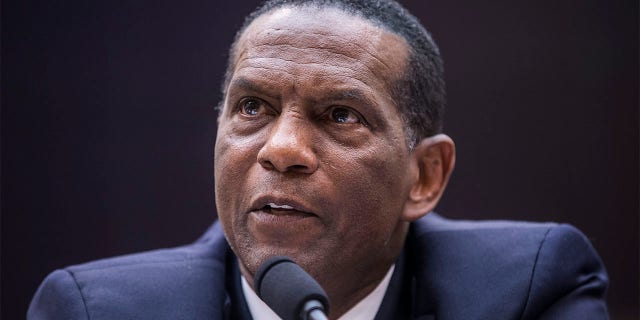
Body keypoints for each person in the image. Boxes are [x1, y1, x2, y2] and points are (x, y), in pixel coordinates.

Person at [27, 0, 609, 319]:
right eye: (252, 106)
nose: (280, 149)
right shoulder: (96, 312)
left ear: (424, 176)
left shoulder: (529, 292)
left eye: (340, 116)